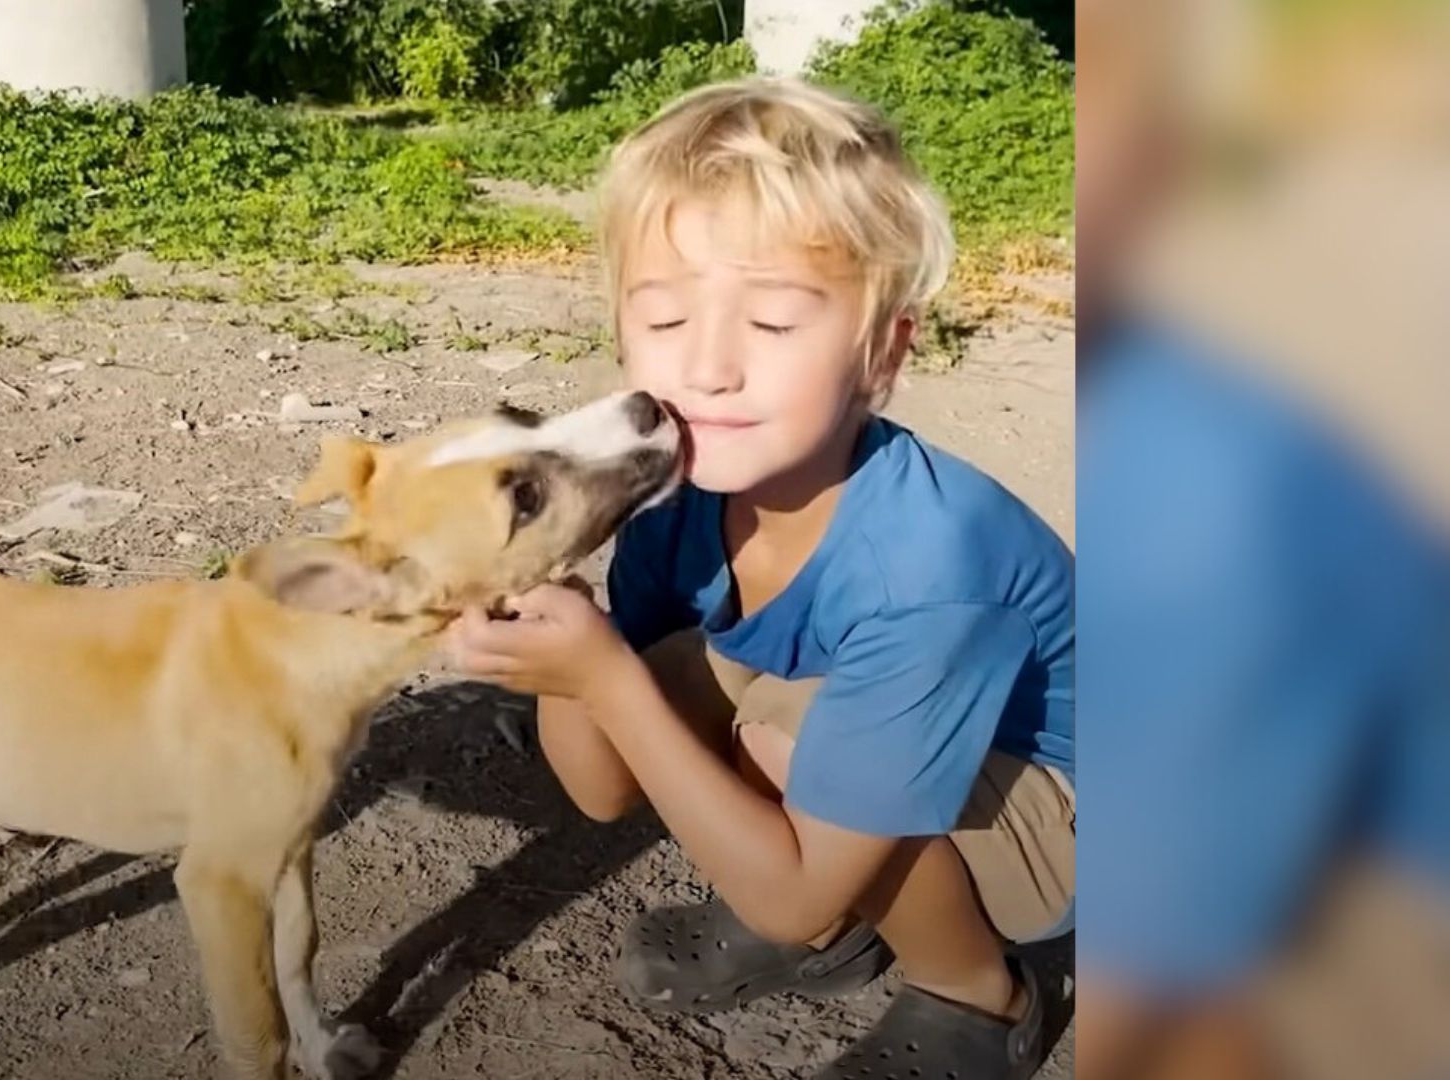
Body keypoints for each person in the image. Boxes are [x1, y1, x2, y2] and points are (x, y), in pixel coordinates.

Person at [448, 77, 1074, 1080]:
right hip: (872, 734)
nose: (709, 369)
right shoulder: (677, 502)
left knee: (782, 739)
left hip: (1058, 807)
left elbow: (641, 718)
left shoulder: (931, 563)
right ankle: (834, 915)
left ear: (882, 357)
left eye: (774, 325)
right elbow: (604, 788)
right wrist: (567, 609)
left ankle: (979, 993)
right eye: (662, 321)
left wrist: (606, 679)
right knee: (695, 681)